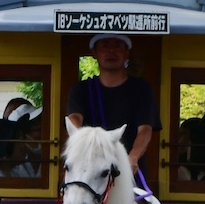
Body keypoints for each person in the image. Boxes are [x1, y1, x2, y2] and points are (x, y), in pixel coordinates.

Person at [65, 33, 160, 182]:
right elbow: (74, 119)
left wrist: (133, 157)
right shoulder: (81, 90)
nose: (111, 51)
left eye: (117, 46)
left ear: (127, 53)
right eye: (105, 46)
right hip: (90, 173)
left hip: (128, 170)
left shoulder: (142, 89)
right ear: (94, 53)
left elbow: (145, 129)